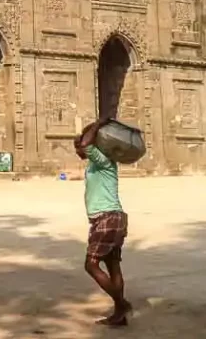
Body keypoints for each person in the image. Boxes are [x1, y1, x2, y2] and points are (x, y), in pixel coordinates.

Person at [74, 119, 132, 326]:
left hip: (106, 218)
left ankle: (121, 303)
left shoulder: (103, 159)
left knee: (91, 264)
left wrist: (97, 124)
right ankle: (119, 315)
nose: (78, 150)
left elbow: (86, 145)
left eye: (78, 145)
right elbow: (84, 146)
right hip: (113, 218)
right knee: (113, 266)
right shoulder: (96, 163)